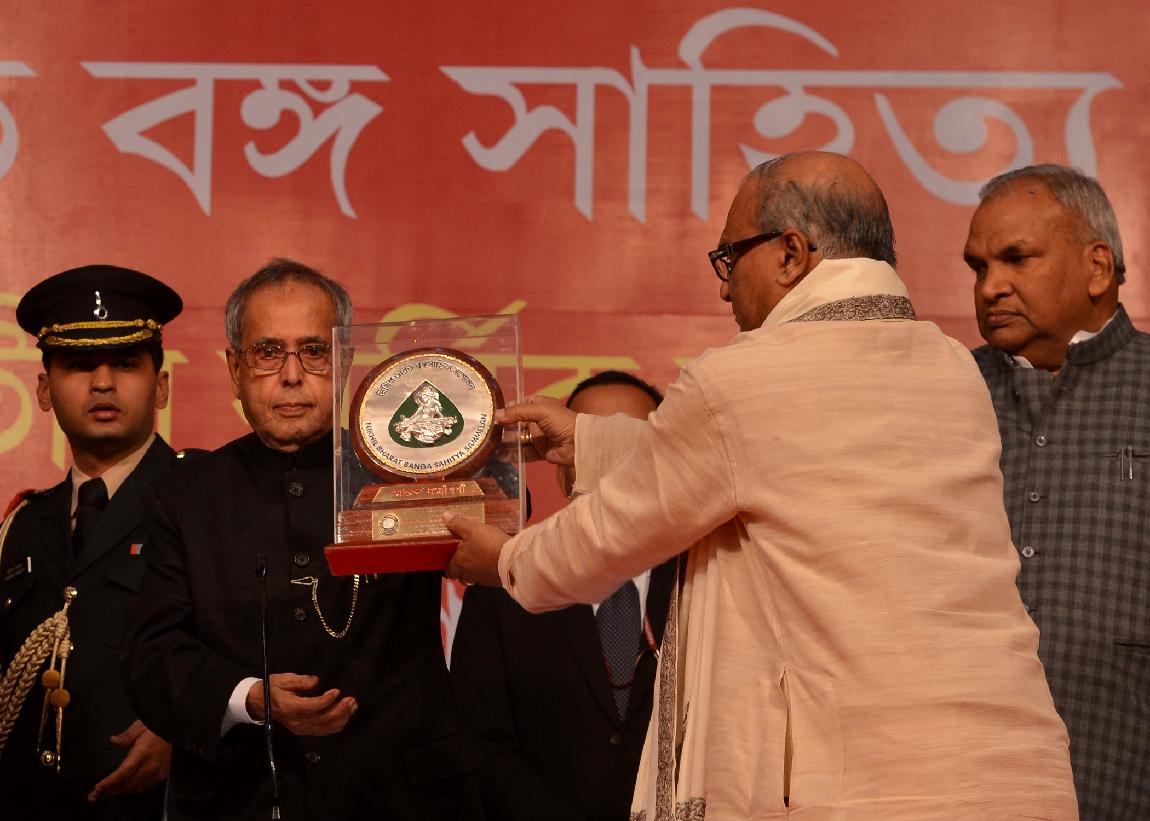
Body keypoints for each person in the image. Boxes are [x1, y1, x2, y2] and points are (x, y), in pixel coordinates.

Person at [444, 152, 1079, 819]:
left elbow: (608, 534)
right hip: (1013, 771)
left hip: (862, 789)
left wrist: (505, 562)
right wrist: (591, 440)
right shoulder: (951, 367)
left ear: (790, 254)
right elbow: (775, 459)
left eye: (729, 258)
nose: (724, 290)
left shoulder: (743, 379)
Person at [120, 258, 485, 820]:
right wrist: (248, 698)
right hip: (239, 798)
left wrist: (483, 452)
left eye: (314, 351)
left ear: (345, 362)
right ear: (234, 369)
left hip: (396, 796)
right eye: (268, 352)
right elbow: (153, 655)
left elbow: (500, 521)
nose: (292, 375)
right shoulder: (184, 494)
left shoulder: (406, 472)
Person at [963, 163, 1148, 820]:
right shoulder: (944, 392)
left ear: (1097, 268)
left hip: (1122, 767)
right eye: (978, 267)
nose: (991, 286)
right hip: (960, 771)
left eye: (1016, 258)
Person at [0, 264, 184, 820]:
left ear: (161, 385)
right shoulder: (23, 524)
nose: (103, 383)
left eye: (125, 364)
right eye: (80, 365)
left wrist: (192, 729)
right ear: (44, 390)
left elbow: (261, 650)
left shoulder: (205, 500)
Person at [451, 371, 677, 821]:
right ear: (560, 465)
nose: (612, 464)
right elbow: (480, 742)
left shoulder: (707, 576)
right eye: (591, 443)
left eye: (629, 442)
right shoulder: (502, 581)